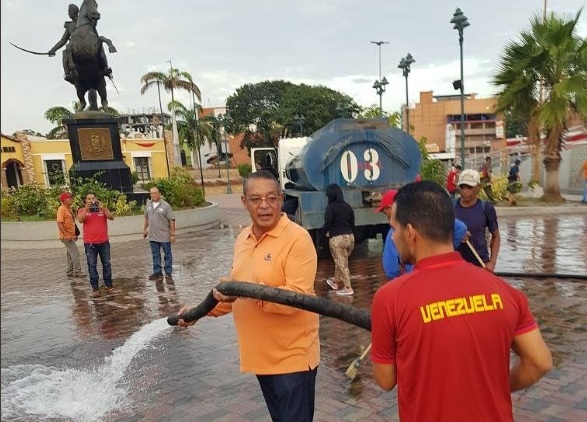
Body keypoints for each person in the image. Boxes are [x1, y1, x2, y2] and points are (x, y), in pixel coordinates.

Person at [371, 181, 553, 421]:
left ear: (410, 232)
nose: (393, 238)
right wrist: (493, 387)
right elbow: (540, 362)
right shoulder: (503, 290)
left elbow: (385, 380)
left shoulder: (390, 298)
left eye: (394, 229)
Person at [177, 170, 319, 422]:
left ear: (281, 198)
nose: (264, 206)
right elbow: (237, 293)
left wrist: (247, 289)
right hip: (262, 358)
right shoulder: (243, 238)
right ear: (244, 202)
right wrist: (200, 312)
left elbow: (297, 299)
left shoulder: (298, 239)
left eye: (271, 198)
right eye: (255, 199)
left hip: (292, 359)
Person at [377, 189, 468, 279]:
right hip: (442, 274)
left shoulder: (394, 232)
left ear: (391, 207)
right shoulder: (433, 218)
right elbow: (461, 228)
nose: (387, 217)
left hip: (415, 279)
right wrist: (446, 249)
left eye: (385, 212)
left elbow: (391, 270)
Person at [48, 3, 115, 83]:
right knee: (65, 51)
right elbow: (63, 40)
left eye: (70, 11)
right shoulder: (70, 26)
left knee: (99, 44)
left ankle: (104, 67)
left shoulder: (86, 22)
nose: (68, 13)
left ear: (75, 12)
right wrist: (53, 49)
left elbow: (95, 35)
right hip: (74, 48)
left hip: (89, 44)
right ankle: (68, 73)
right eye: (68, 11)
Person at [454, 169, 501, 272]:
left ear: (478, 187)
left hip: (480, 264)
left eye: (470, 187)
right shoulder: (450, 207)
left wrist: (492, 262)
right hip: (455, 265)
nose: (465, 191)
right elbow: (440, 234)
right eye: (462, 187)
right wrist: (456, 234)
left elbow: (496, 236)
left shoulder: (486, 208)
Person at [77, 192, 115, 297]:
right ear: (86, 200)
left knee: (106, 264)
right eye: (88, 199)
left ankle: (109, 285)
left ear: (96, 199)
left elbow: (111, 217)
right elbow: (80, 220)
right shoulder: (82, 210)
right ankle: (95, 288)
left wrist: (103, 208)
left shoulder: (102, 209)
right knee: (92, 265)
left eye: (93, 198)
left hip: (103, 242)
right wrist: (85, 209)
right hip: (90, 244)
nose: (91, 200)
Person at [322, 184, 355, 296]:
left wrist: (322, 238)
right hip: (350, 237)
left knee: (342, 264)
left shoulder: (330, 208)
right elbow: (352, 223)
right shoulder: (348, 206)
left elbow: (327, 224)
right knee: (341, 260)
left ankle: (348, 287)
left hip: (337, 238)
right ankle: (335, 281)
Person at [143, 187, 176, 280]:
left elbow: (172, 220)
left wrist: (173, 234)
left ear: (159, 194)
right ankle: (157, 272)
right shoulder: (148, 205)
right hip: (152, 235)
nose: (153, 195)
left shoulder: (166, 206)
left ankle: (168, 272)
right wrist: (144, 229)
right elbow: (146, 218)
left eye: (155, 193)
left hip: (164, 235)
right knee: (155, 255)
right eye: (151, 193)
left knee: (167, 254)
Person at [56, 192, 83, 278]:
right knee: (75, 253)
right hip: (66, 236)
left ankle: (69, 271)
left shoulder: (68, 209)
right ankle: (77, 271)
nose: (71, 199)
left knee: (70, 253)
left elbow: (72, 223)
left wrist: (74, 233)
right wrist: (66, 234)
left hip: (71, 235)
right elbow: (59, 223)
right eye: (69, 198)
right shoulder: (61, 209)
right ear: (64, 200)